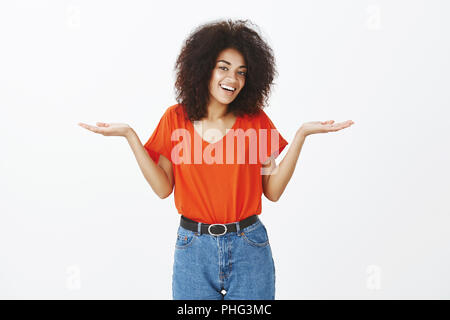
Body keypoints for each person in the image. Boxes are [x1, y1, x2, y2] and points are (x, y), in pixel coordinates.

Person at [78, 19, 354, 300]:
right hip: (193, 249)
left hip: (249, 246)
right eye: (223, 68)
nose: (232, 79)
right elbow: (163, 189)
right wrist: (130, 136)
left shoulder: (256, 121)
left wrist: (301, 135)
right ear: (203, 68)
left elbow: (273, 191)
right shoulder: (175, 119)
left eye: (241, 72)